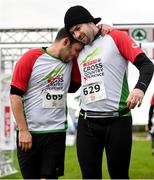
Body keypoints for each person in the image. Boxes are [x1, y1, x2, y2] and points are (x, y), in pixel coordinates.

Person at [64, 5, 154, 179]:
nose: (76, 35)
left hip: (118, 121)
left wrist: (139, 88)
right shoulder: (78, 49)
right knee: (89, 176)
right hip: (87, 123)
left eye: (78, 28)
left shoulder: (116, 36)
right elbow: (73, 86)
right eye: (72, 32)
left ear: (90, 21)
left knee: (119, 176)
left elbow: (146, 65)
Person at [10, 27, 84, 179]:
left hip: (55, 132)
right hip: (30, 133)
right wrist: (23, 130)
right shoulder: (31, 57)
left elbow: (74, 87)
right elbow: (15, 95)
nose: (76, 55)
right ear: (65, 42)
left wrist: (104, 28)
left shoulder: (71, 62)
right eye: (76, 50)